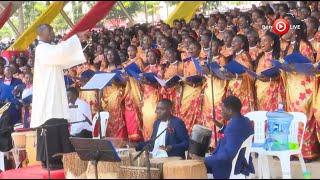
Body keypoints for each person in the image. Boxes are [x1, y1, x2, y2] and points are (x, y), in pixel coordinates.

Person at [30, 24, 90, 169]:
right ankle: (52, 160)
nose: (53, 34)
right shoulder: (42, 48)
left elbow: (64, 57)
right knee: (52, 123)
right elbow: (60, 51)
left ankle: (52, 159)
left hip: (53, 93)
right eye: (50, 31)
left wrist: (79, 42)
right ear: (42, 33)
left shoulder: (48, 49)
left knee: (56, 123)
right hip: (49, 96)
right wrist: (76, 38)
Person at [204, 95, 254, 179]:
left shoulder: (233, 127)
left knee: (198, 164)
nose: (221, 113)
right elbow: (236, 136)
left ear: (230, 111)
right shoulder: (245, 121)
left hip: (229, 166)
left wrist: (211, 158)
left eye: (223, 110)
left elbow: (227, 155)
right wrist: (221, 127)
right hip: (242, 160)